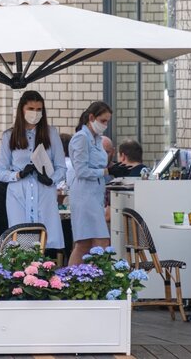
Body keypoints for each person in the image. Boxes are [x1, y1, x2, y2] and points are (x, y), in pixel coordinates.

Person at [0, 90, 65, 250]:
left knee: (47, 238)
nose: (35, 113)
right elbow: (0, 171)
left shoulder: (51, 133)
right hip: (19, 194)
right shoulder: (9, 136)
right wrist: (18, 174)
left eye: (39, 109)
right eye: (31, 109)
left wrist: (51, 179)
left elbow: (61, 167)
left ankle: (45, 264)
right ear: (22, 109)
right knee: (20, 240)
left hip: (44, 192)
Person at [68, 101, 113, 265]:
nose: (105, 125)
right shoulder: (81, 138)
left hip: (94, 194)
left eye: (107, 121)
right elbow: (81, 171)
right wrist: (105, 172)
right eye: (103, 121)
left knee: (86, 243)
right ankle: (93, 276)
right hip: (84, 195)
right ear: (91, 117)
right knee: (96, 242)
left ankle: (81, 277)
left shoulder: (97, 139)